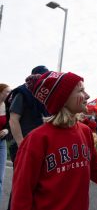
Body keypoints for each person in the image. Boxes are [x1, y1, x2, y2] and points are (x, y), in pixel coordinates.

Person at [11, 71, 97, 210]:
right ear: (62, 99)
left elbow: (96, 170)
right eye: (81, 91)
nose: (87, 96)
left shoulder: (85, 131)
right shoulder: (36, 139)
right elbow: (21, 194)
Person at [6, 65, 49, 210]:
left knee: (33, 185)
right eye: (43, 77)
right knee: (21, 185)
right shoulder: (23, 92)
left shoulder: (40, 95)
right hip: (21, 145)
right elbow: (13, 119)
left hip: (35, 146)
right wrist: (21, 144)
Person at [0, 83, 11, 204]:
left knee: (0, 179)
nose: (9, 94)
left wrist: (7, 130)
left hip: (1, 143)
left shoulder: (8, 106)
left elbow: (10, 123)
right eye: (7, 92)